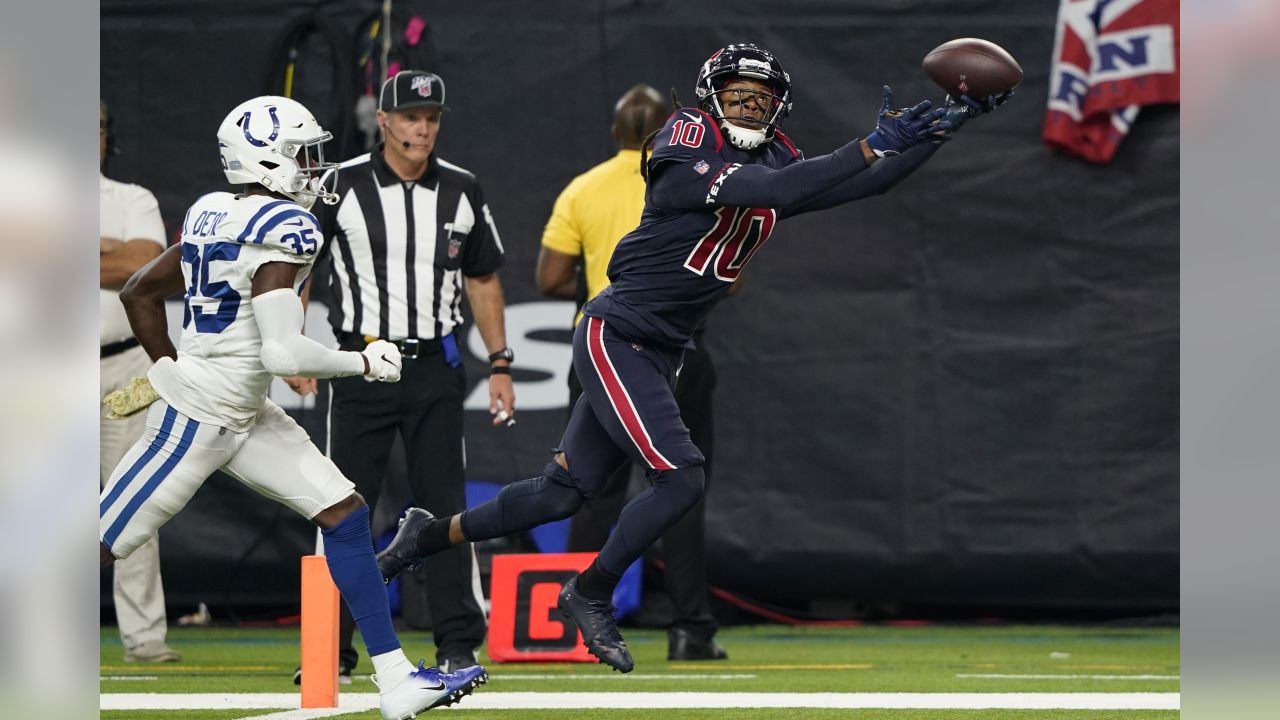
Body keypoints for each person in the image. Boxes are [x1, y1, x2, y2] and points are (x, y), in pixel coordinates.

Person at [377, 43, 1009, 672]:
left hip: (662, 347)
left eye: (761, 99)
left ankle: (424, 536)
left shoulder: (777, 155)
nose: (749, 106)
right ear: (711, 96)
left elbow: (861, 183)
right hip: (617, 331)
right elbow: (780, 183)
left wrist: (944, 129)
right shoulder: (687, 139)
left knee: (560, 493)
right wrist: (872, 142)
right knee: (680, 477)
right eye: (738, 94)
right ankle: (590, 590)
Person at [97, 95, 487, 718]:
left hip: (244, 412)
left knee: (345, 512)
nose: (312, 166)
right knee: (100, 540)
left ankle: (395, 682)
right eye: (302, 154)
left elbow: (141, 292)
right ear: (267, 159)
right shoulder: (285, 226)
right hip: (197, 419)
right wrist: (363, 361)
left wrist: (168, 363)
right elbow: (281, 354)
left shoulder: (211, 211)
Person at [295, 70, 513, 678]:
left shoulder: (463, 190)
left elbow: (483, 278)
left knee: (446, 508)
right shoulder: (339, 185)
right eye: (412, 116)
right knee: (337, 504)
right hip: (361, 362)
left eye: (433, 117)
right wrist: (295, 349)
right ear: (383, 121)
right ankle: (327, 650)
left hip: (433, 366)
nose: (423, 127)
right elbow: (300, 266)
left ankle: (457, 641)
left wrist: (499, 362)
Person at [536, 84, 726, 661]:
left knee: (590, 490)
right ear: (670, 132)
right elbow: (729, 273)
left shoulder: (584, 188)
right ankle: (689, 627)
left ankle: (571, 630)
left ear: (614, 133)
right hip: (677, 348)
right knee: (683, 486)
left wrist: (613, 284)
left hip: (603, 346)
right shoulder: (697, 180)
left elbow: (548, 278)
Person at [99, 99, 180, 664]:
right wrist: (106, 250)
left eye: (97, 126)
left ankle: (145, 638)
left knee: (133, 500)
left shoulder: (131, 199)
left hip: (122, 365)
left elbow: (145, 263)